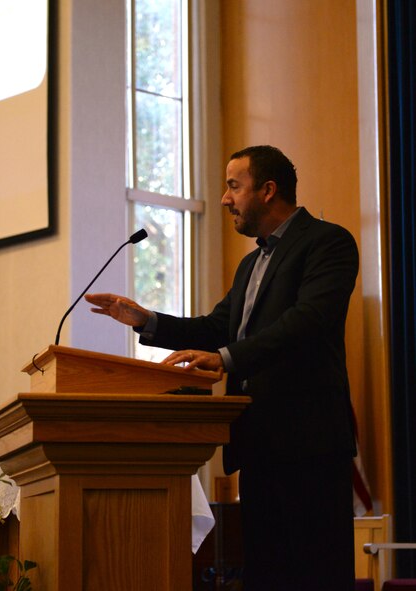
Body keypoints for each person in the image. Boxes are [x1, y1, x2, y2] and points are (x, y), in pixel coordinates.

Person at [85, 145, 359, 591]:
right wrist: (146, 320)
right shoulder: (251, 263)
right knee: (268, 575)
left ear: (268, 191)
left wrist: (227, 358)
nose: (226, 199)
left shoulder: (328, 242)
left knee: (314, 574)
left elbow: (307, 322)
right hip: (259, 444)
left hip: (309, 445)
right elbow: (217, 326)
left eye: (234, 186)